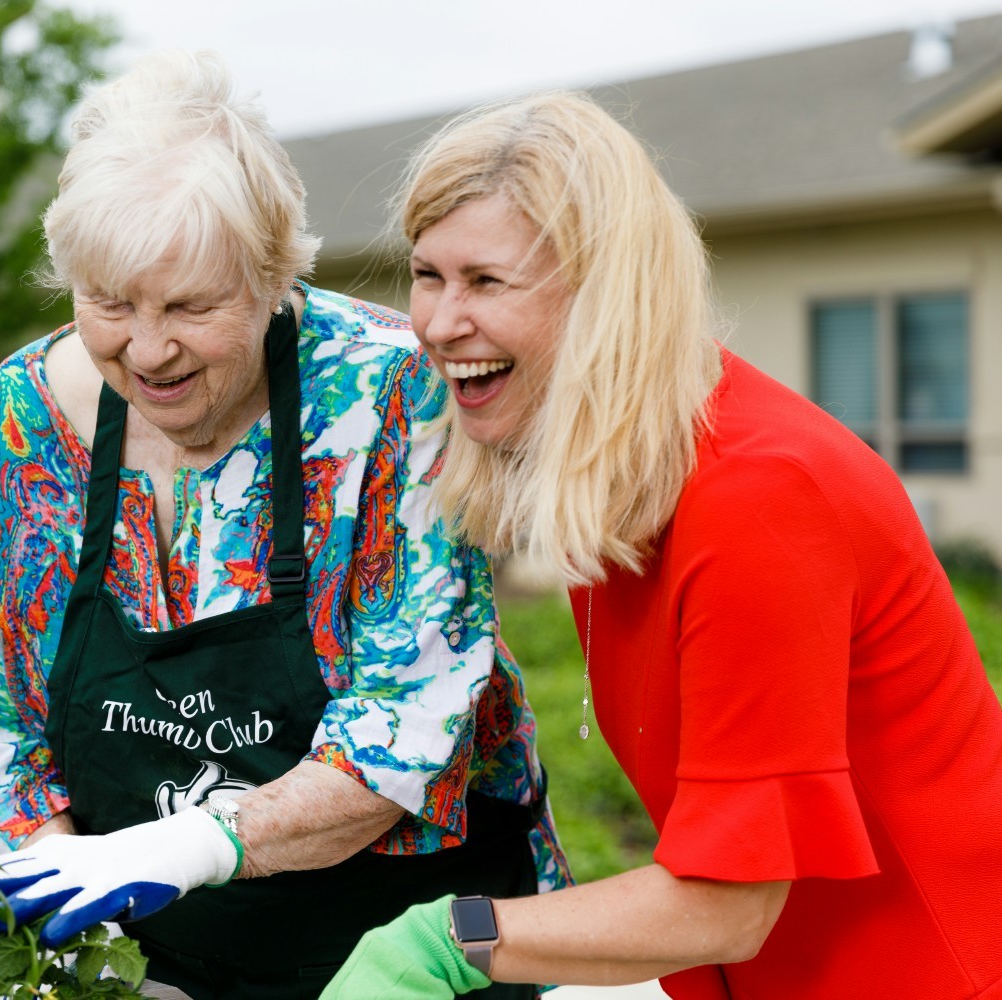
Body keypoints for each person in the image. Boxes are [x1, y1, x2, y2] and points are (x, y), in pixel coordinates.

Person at [322, 90, 1002, 999]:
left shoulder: (759, 498)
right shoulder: (622, 482)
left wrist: (447, 940)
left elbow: (729, 902)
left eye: (486, 281)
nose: (439, 324)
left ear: (608, 295)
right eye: (428, 275)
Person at [0, 52, 571, 999]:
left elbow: (404, 731)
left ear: (274, 275)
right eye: (109, 304)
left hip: (402, 943)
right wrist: (66, 887)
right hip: (159, 954)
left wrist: (190, 843)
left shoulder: (389, 389)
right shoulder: (21, 416)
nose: (147, 349)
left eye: (192, 306)